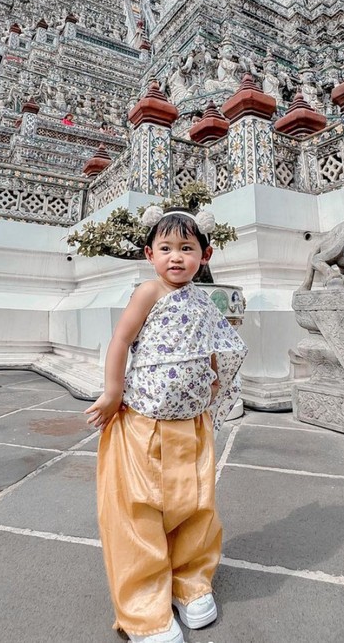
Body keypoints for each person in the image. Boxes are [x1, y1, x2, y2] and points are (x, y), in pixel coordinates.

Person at [85, 207, 247, 643]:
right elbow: (121, 340)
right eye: (166, 248)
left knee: (196, 506)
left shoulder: (202, 299)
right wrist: (112, 391)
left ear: (205, 255)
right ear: (149, 254)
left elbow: (211, 345)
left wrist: (213, 382)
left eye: (187, 249)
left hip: (192, 425)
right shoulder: (148, 293)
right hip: (145, 422)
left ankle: (189, 581)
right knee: (142, 511)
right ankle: (144, 605)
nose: (177, 257)